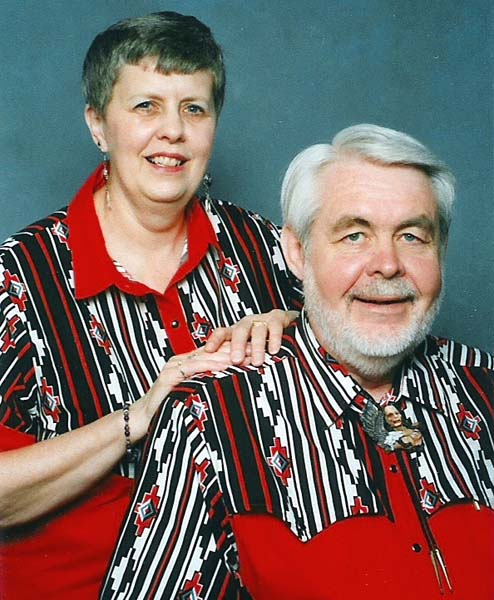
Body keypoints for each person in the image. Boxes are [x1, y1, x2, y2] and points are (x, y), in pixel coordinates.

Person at [102, 124, 494, 599]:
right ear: (297, 253)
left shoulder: (485, 385)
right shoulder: (209, 419)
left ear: (441, 252)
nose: (388, 265)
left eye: (412, 236)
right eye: (354, 236)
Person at [0, 11, 300, 599]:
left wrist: (293, 323)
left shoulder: (267, 249)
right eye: (146, 107)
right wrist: (138, 418)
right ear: (98, 124)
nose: (173, 132)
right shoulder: (17, 280)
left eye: (194, 109)